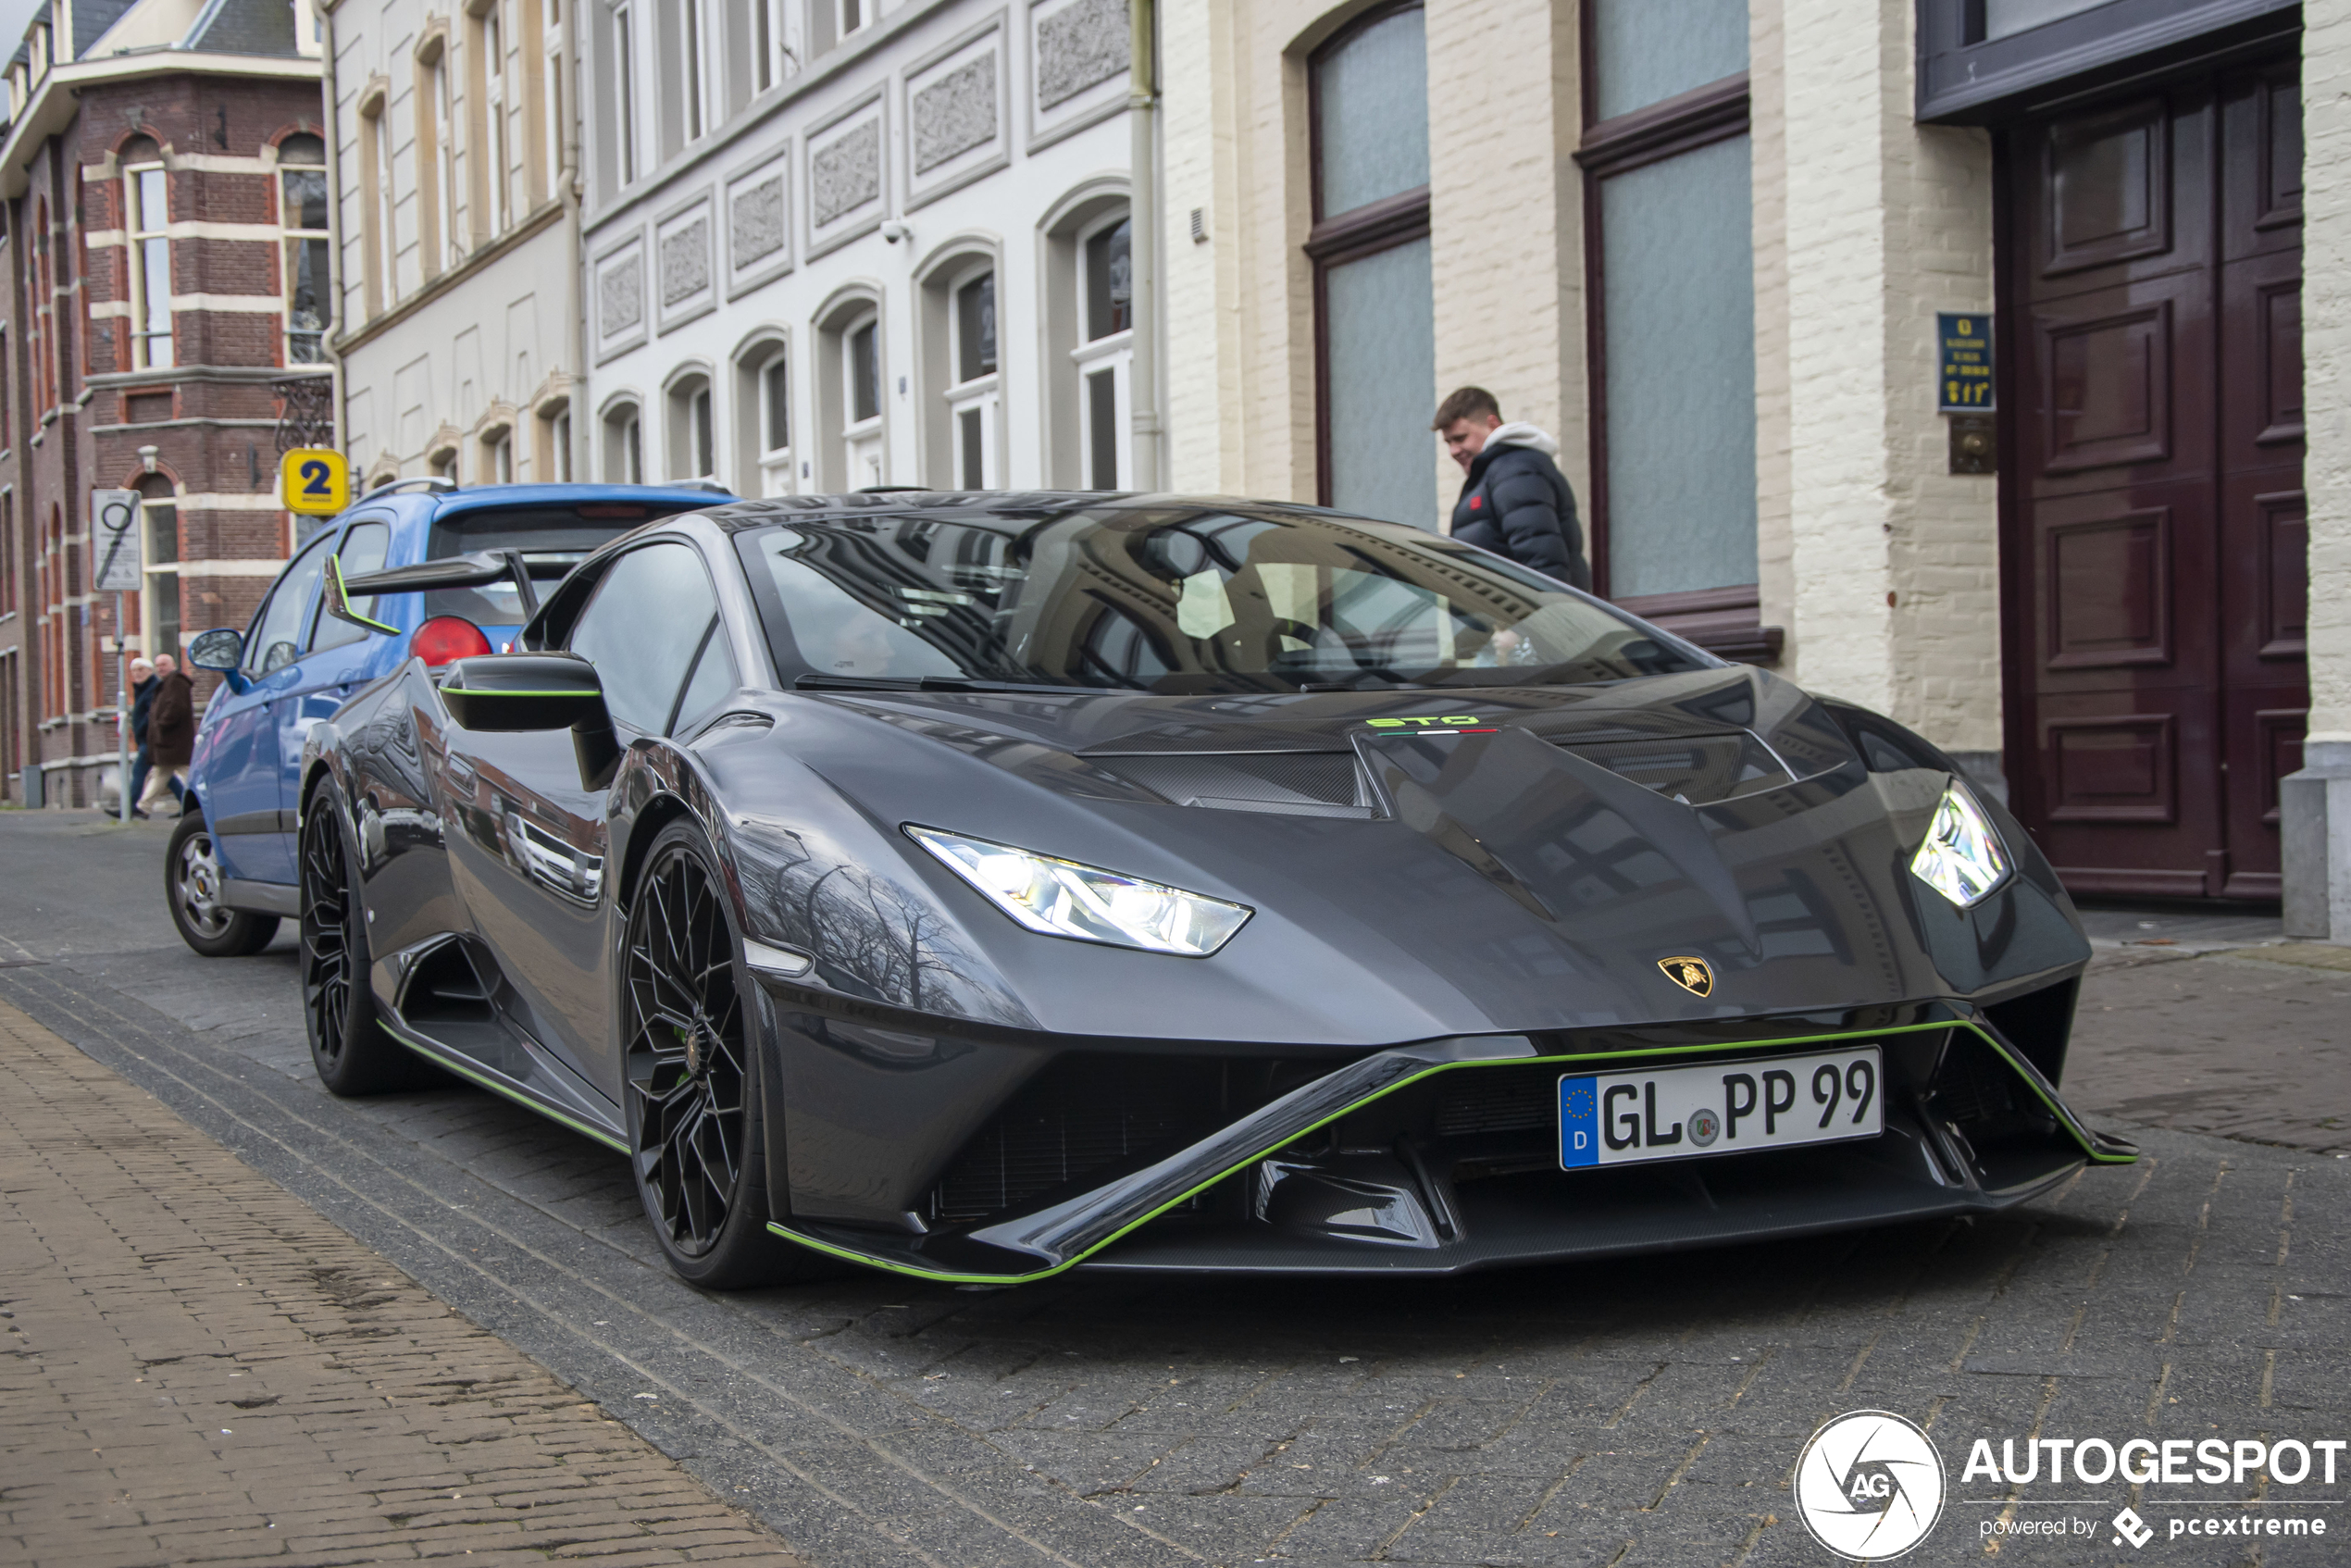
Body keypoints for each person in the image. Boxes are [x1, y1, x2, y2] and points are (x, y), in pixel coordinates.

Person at [1432, 386, 1590, 590]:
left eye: (1461, 438)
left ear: (1492, 424)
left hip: (1523, 619)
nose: (1453, 451)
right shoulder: (1496, 472)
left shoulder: (1514, 470)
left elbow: (1542, 560)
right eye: (1448, 442)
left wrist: (1540, 619)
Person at [141, 654, 194, 814]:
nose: (160, 668)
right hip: (169, 742)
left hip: (173, 741)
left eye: (164, 664)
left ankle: (205, 801)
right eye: (157, 665)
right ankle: (143, 807)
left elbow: (177, 707)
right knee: (161, 774)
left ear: (173, 665)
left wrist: (161, 725)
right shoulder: (167, 684)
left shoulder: (176, 682)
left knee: (186, 773)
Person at [126, 657, 158, 819]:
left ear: (150, 671)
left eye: (141, 670)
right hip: (145, 739)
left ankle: (131, 807)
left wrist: (140, 729)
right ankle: (183, 804)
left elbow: (152, 714)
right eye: (134, 670)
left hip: (150, 739)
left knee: (139, 770)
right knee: (164, 774)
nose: (137, 673)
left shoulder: (152, 688)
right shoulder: (142, 688)